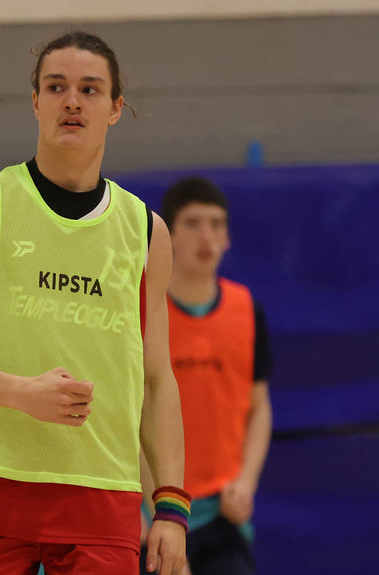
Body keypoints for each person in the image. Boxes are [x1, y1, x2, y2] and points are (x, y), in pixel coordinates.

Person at [0, 31, 189, 575]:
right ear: (36, 102)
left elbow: (157, 380)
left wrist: (171, 507)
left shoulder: (145, 231)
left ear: (115, 108)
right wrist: (21, 393)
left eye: (90, 89)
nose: (72, 101)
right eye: (56, 87)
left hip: (102, 491)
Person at [139, 177, 273, 575]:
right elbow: (129, 415)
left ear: (228, 238)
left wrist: (246, 483)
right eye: (193, 223)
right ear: (168, 237)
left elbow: (260, 408)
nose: (206, 237)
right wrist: (149, 506)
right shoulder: (143, 311)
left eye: (216, 225)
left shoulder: (247, 310)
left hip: (221, 512)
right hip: (153, 512)